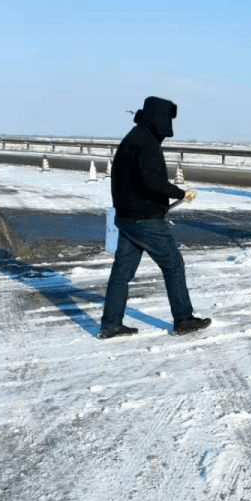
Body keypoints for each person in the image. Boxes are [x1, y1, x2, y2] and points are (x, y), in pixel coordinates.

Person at [99, 96, 212, 338]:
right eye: (168, 119)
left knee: (121, 272)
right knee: (173, 264)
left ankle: (110, 324)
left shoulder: (132, 138)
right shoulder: (146, 143)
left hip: (126, 218)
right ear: (159, 118)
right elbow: (153, 182)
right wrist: (181, 193)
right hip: (146, 219)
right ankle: (183, 318)